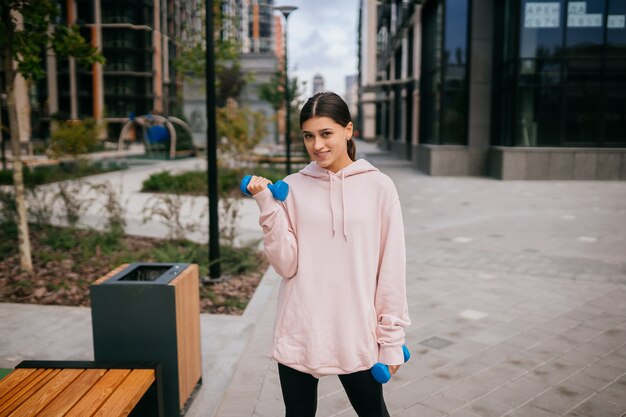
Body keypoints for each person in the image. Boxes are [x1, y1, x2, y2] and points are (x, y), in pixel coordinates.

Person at [247, 92, 410, 417]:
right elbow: (286, 264)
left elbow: (391, 268)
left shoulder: (379, 186)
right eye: (309, 135)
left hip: (355, 330)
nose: (317, 145)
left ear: (348, 130)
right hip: (301, 327)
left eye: (326, 133)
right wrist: (268, 206)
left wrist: (391, 340)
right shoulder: (293, 186)